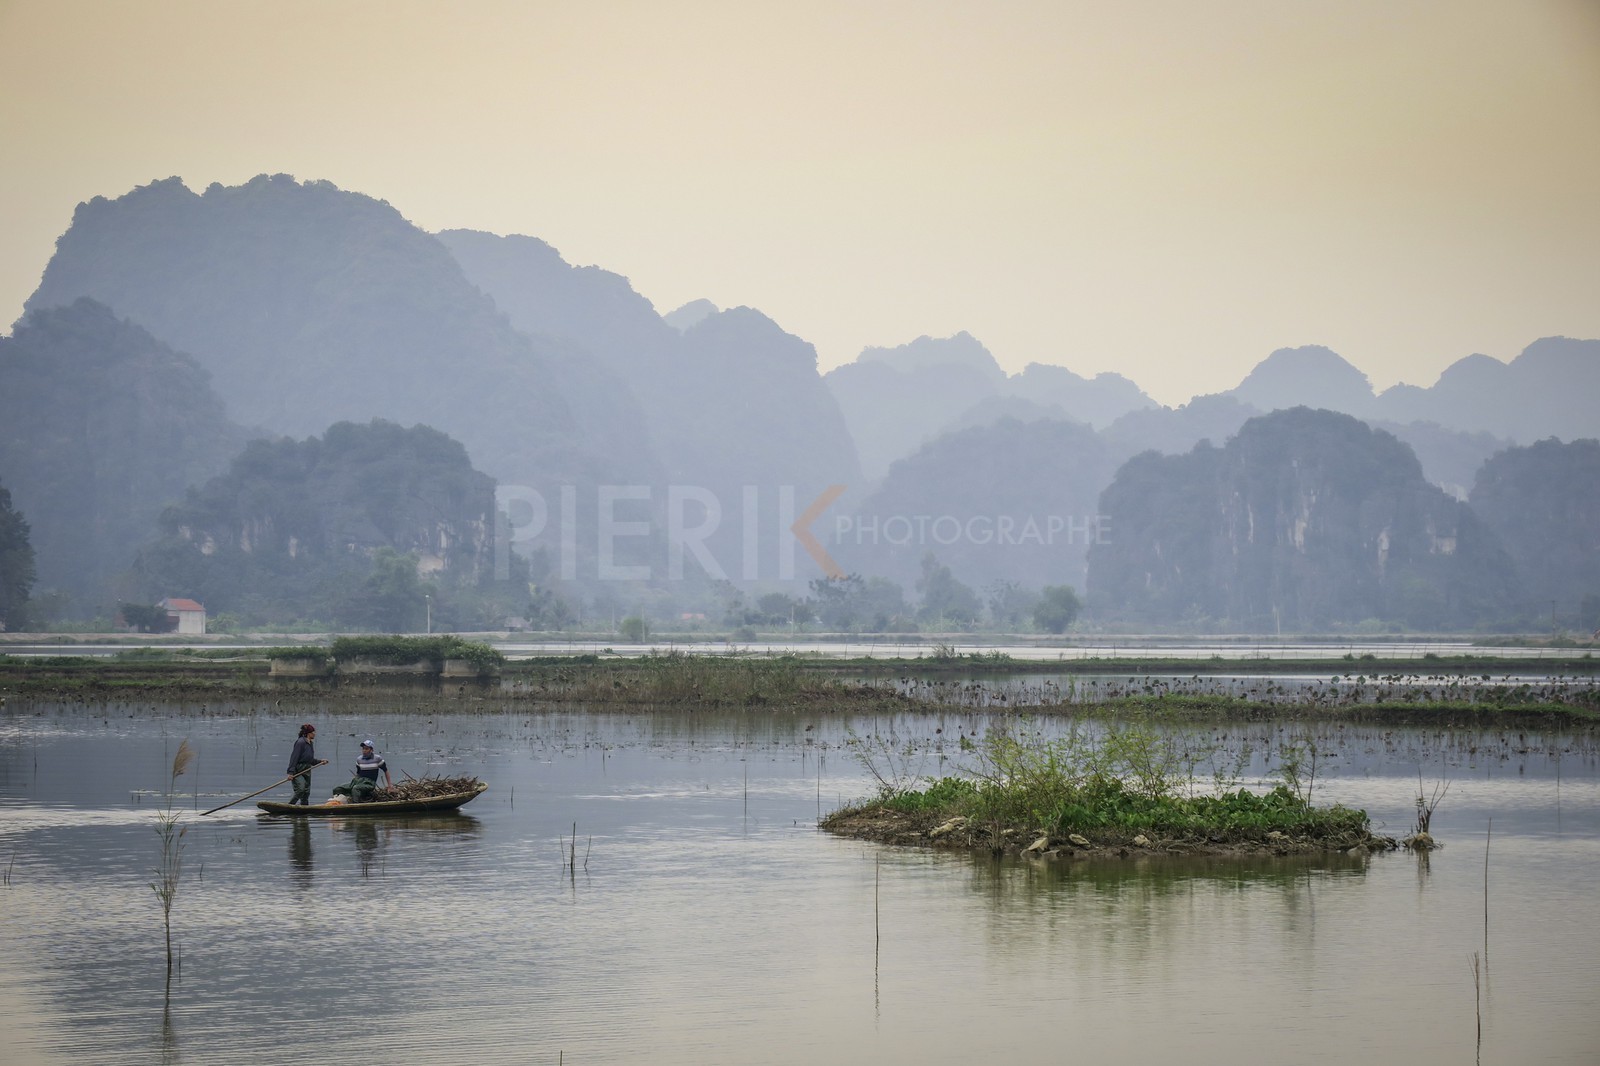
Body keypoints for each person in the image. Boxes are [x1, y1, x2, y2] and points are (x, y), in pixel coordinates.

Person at [285, 723, 327, 806]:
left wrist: (320, 761)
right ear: (309, 733)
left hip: (307, 769)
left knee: (306, 792)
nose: (315, 734)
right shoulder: (300, 742)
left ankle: (304, 809)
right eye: (313, 732)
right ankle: (289, 806)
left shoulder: (310, 743)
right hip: (298, 769)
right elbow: (294, 758)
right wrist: (290, 772)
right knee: (301, 789)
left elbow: (310, 759)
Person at [349, 738, 393, 803]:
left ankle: (355, 805)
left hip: (370, 783)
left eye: (366, 749)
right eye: (363, 748)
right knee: (339, 789)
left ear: (371, 750)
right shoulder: (359, 759)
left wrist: (390, 786)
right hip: (360, 782)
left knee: (356, 788)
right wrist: (353, 782)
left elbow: (386, 771)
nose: (364, 750)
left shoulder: (377, 759)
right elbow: (358, 774)